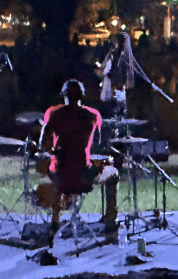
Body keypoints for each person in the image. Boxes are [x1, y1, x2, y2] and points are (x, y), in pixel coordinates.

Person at [37, 79, 119, 236]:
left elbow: (43, 144)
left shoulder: (54, 114)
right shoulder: (93, 115)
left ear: (64, 96)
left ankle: (56, 221)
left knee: (58, 167)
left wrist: (57, 151)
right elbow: (97, 144)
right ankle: (110, 220)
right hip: (84, 178)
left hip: (60, 178)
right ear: (82, 96)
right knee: (113, 172)